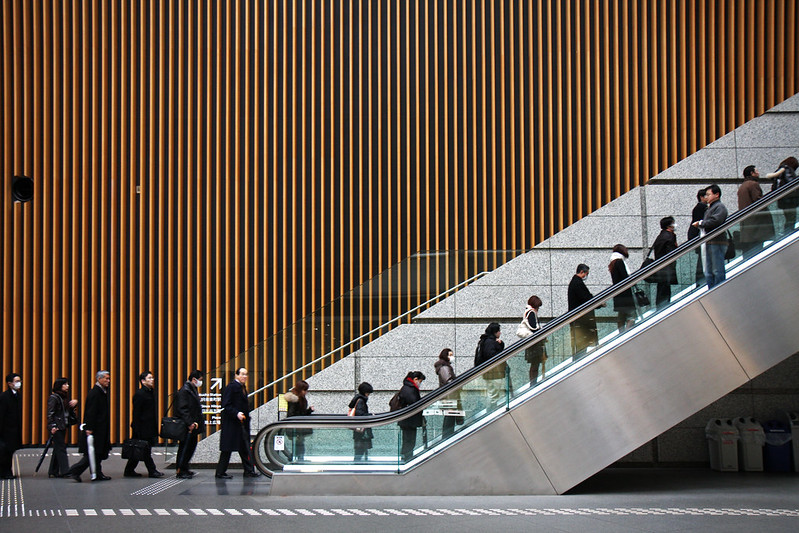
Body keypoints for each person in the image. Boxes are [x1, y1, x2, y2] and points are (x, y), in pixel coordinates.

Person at [67, 371, 111, 482]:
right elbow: (90, 412)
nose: (108, 381)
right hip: (96, 429)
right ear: (99, 379)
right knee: (92, 454)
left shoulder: (101, 391)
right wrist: (89, 428)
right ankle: (74, 470)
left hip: (100, 428)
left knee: (97, 453)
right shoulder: (95, 393)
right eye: (106, 378)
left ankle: (97, 473)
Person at [215, 368, 259, 479]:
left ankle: (248, 471)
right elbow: (226, 404)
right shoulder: (232, 387)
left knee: (243, 447)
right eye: (242, 374)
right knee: (228, 449)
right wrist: (236, 413)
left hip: (240, 423)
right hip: (233, 423)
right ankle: (220, 472)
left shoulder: (241, 387)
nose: (245, 376)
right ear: (236, 375)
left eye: (246, 374)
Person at [124, 371, 164, 478]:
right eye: (149, 378)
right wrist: (137, 429)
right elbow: (136, 413)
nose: (152, 380)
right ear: (143, 381)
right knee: (145, 450)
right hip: (142, 428)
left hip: (148, 426)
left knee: (139, 449)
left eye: (152, 377)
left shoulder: (150, 392)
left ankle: (129, 470)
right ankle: (152, 470)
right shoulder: (140, 394)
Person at [692, 184, 729, 289]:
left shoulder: (719, 207)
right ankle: (712, 289)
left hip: (717, 242)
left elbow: (716, 221)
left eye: (708, 194)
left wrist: (701, 223)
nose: (706, 197)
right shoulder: (711, 208)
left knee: (716, 269)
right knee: (709, 271)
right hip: (710, 241)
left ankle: (718, 290)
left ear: (717, 195)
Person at [738, 165, 775, 258]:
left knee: (748, 252)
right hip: (756, 223)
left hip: (746, 224)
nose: (758, 173)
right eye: (757, 171)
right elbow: (758, 201)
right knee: (757, 251)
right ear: (752, 173)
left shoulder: (742, 186)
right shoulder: (753, 184)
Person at [175, 370, 204, 479]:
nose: (201, 382)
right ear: (193, 379)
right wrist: (189, 423)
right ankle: (180, 470)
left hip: (193, 425)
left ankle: (185, 467)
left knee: (191, 447)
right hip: (188, 426)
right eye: (200, 380)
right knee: (185, 447)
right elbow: (183, 409)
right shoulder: (185, 390)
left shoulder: (192, 389)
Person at [46, 377, 78, 478]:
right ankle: (65, 471)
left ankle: (53, 470)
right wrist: (53, 426)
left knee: (57, 448)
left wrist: (72, 405)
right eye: (65, 384)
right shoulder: (54, 398)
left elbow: (65, 412)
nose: (67, 386)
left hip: (62, 426)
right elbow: (50, 413)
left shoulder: (63, 397)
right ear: (59, 386)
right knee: (61, 448)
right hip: (57, 427)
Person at [567, 264, 598, 354]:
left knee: (579, 346)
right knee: (582, 345)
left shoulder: (574, 282)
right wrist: (598, 304)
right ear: (581, 272)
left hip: (577, 319)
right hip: (581, 320)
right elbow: (586, 298)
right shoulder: (578, 283)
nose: (586, 276)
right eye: (586, 274)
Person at [474, 323, 507, 403]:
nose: (500, 333)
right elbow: (492, 356)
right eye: (499, 331)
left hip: (490, 373)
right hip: (494, 373)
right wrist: (499, 346)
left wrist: (500, 344)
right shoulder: (490, 342)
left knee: (492, 394)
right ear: (495, 332)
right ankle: (491, 410)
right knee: (493, 395)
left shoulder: (485, 341)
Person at [397, 371, 425, 461]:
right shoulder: (410, 388)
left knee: (408, 439)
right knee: (409, 440)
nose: (420, 384)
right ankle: (407, 457)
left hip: (407, 420)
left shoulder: (407, 387)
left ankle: (407, 456)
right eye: (420, 381)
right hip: (409, 420)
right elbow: (414, 402)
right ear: (415, 379)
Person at [285, 380, 314, 461]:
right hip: (295, 426)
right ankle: (297, 459)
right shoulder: (295, 400)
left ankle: (297, 459)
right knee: (298, 444)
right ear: (300, 390)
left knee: (299, 444)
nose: (306, 392)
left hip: (298, 425)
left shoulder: (300, 398)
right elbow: (292, 414)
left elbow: (301, 412)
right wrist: (307, 411)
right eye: (304, 390)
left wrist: (309, 411)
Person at [0, 373, 22, 479]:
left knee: (10, 452)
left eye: (19, 381)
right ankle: (5, 472)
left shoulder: (17, 395)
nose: (19, 383)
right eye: (17, 381)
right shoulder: (4, 397)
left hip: (13, 429)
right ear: (9, 383)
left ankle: (7, 471)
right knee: (5, 452)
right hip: (6, 429)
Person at [608, 245, 636, 329]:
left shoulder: (613, 262)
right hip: (625, 294)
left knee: (622, 316)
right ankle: (627, 333)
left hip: (619, 294)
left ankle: (622, 333)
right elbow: (624, 276)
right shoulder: (619, 262)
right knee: (631, 316)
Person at [652, 217, 678, 307]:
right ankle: (663, 307)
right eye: (673, 223)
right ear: (669, 225)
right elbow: (671, 252)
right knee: (665, 288)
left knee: (662, 288)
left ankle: (660, 306)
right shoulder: (669, 236)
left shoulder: (661, 236)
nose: (675, 225)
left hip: (660, 266)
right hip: (666, 266)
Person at [768, 156, 799, 232]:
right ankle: (789, 234)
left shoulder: (780, 171)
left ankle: (788, 233)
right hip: (790, 201)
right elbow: (792, 184)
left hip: (783, 202)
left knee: (789, 220)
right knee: (791, 220)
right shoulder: (787, 169)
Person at [521, 296, 547, 383]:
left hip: (533, 344)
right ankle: (533, 383)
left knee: (534, 365)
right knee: (535, 365)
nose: (538, 309)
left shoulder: (528, 312)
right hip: (535, 345)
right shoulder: (531, 313)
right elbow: (533, 328)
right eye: (538, 307)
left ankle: (533, 382)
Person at [434, 348, 458, 439]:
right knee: (449, 418)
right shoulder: (444, 367)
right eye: (450, 355)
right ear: (445, 356)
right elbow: (448, 381)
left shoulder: (445, 366)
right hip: (449, 397)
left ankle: (447, 437)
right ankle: (447, 437)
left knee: (450, 417)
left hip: (448, 396)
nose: (452, 357)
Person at [348, 382, 374, 462]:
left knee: (359, 449)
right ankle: (358, 466)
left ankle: (358, 464)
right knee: (360, 450)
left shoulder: (358, 399)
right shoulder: (361, 401)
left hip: (359, 431)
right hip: (362, 431)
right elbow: (360, 414)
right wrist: (370, 415)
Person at [688, 188, 708, 283]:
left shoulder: (699, 207)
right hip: (699, 236)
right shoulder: (702, 208)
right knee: (703, 259)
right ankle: (701, 280)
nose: (708, 198)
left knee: (702, 259)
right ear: (701, 197)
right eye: (706, 196)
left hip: (696, 235)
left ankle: (700, 280)